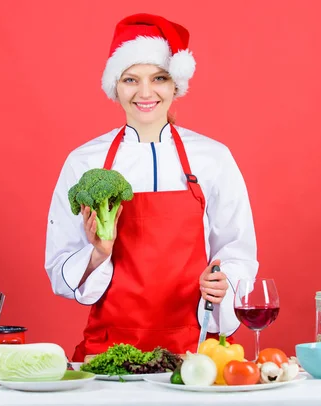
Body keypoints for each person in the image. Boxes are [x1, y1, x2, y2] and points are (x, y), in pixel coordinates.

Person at [44, 13, 259, 362]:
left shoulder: (214, 158)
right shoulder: (84, 161)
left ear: (176, 85)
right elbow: (59, 267)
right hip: (109, 351)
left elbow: (237, 250)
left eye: (159, 78)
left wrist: (226, 282)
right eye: (131, 79)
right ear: (115, 86)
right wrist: (98, 252)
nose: (145, 93)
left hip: (196, 350)